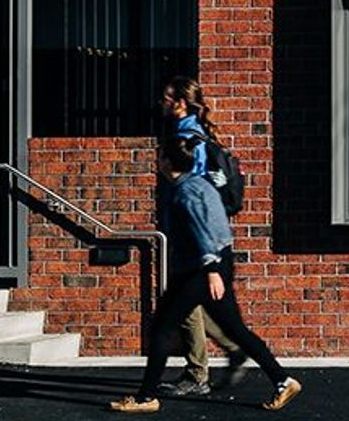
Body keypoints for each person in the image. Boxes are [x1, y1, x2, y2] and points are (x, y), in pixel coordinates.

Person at [112, 132, 300, 414]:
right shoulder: (202, 183)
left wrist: (211, 269)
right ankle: (283, 381)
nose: (157, 161)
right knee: (234, 329)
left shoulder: (186, 192)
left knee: (163, 328)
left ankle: (145, 398)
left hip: (200, 269)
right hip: (215, 262)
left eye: (160, 156)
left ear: (166, 162)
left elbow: (202, 231)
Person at [157, 75, 251, 400]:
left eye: (167, 98)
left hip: (192, 234)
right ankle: (230, 348)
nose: (162, 102)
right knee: (191, 303)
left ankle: (198, 373)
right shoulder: (198, 132)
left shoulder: (187, 137)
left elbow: (193, 192)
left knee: (185, 307)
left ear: (180, 102)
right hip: (198, 232)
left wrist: (205, 254)